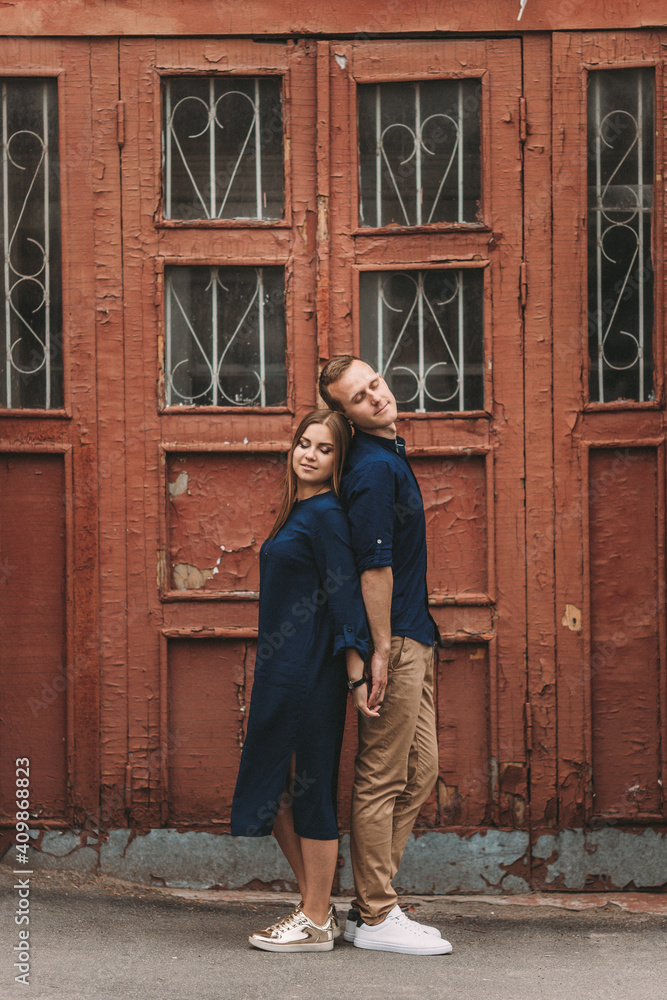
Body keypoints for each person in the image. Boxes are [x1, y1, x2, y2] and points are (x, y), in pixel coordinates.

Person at [319, 356, 453, 956]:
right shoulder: (373, 470)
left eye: (374, 384)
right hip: (393, 640)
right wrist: (378, 652)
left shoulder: (389, 455)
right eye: (358, 397)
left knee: (419, 770)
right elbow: (374, 568)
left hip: (412, 635)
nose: (376, 396)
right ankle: (377, 915)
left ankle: (370, 901)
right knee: (380, 776)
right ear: (346, 416)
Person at [231, 409, 375, 953]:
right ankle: (317, 907)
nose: (309, 454)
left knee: (308, 787)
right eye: (303, 443)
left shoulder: (327, 516)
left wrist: (356, 673)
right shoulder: (300, 510)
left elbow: (346, 598)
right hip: (280, 670)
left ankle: (315, 918)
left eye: (325, 448)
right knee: (275, 790)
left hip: (309, 671)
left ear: (339, 461)